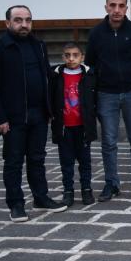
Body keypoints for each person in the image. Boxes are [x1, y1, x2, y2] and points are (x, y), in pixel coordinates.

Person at [85, 0, 131, 201]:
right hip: (106, 93)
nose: (117, 10)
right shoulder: (96, 33)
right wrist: (92, 96)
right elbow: (91, 64)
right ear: (106, 7)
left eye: (121, 5)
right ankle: (111, 183)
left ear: (126, 8)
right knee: (108, 141)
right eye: (113, 5)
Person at [0, 5, 67, 222]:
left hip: (39, 114)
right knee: (13, 161)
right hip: (14, 117)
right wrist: (0, 117)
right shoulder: (1, 47)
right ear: (8, 23)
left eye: (28, 20)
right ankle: (16, 204)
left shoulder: (38, 45)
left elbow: (46, 74)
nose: (24, 24)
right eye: (18, 20)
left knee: (37, 158)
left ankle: (41, 197)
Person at [49, 43, 97, 207]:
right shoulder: (55, 75)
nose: (71, 58)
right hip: (64, 127)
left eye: (75, 55)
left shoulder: (89, 74)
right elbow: (50, 96)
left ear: (82, 57)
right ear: (62, 57)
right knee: (66, 162)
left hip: (83, 127)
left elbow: (95, 98)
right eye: (67, 55)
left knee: (85, 161)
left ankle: (86, 189)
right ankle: (68, 191)